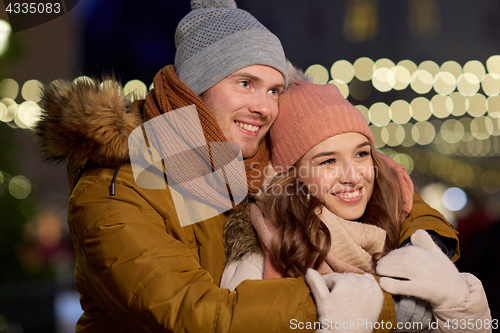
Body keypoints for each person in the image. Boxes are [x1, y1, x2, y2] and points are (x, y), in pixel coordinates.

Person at [34, 0, 461, 331]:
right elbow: (197, 316)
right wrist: (372, 304)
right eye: (245, 84)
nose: (264, 106)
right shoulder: (118, 183)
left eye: (275, 89)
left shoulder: (249, 152)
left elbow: (374, 173)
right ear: (195, 86)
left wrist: (425, 242)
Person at [222, 80, 491, 332]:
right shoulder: (258, 261)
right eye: (328, 161)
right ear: (292, 176)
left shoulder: (400, 234)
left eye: (361, 154)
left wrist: (460, 305)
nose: (352, 176)